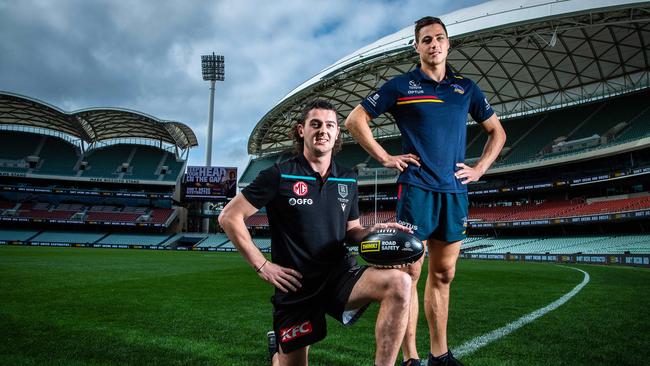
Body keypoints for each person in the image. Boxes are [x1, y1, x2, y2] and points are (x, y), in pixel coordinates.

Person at [345, 16, 506, 366]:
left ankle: (439, 355)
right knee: (409, 275)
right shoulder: (401, 86)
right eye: (426, 39)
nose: (434, 44)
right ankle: (411, 358)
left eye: (439, 38)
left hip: (454, 192)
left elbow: (498, 132)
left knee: (444, 274)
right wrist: (385, 156)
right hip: (416, 189)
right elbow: (355, 120)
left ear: (448, 44)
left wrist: (479, 169)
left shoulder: (467, 88)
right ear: (416, 47)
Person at [219, 100, 414, 366]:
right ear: (301, 130)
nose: (323, 130)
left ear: (337, 134)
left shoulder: (347, 178)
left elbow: (352, 231)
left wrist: (373, 232)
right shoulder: (279, 175)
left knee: (400, 283)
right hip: (296, 284)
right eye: (316, 124)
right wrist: (262, 265)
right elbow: (229, 216)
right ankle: (278, 353)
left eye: (330, 125)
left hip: (339, 274)